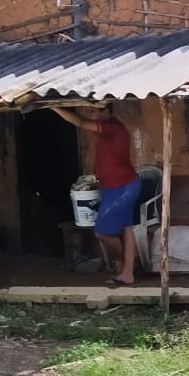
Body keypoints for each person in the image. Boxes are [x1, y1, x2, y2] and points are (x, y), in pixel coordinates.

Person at [51, 103, 141, 286]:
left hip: (122, 187)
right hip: (116, 186)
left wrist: (53, 107)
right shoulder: (108, 128)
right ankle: (127, 273)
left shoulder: (112, 127)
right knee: (126, 228)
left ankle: (120, 263)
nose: (94, 115)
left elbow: (79, 122)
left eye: (97, 111)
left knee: (102, 232)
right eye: (92, 111)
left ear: (109, 111)